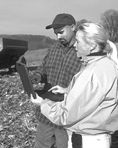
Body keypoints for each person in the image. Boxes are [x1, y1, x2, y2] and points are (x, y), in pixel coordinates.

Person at [31, 22, 118, 148]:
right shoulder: (109, 65)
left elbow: (65, 115)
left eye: (78, 41)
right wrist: (68, 90)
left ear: (92, 45)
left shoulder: (90, 74)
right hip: (100, 139)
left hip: (86, 140)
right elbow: (94, 95)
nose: (75, 45)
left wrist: (42, 103)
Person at [30, 13, 82, 148]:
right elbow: (43, 67)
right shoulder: (54, 48)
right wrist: (38, 76)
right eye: (56, 33)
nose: (58, 37)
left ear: (73, 27)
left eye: (61, 32)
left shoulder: (83, 51)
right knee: (41, 144)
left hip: (66, 115)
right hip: (46, 112)